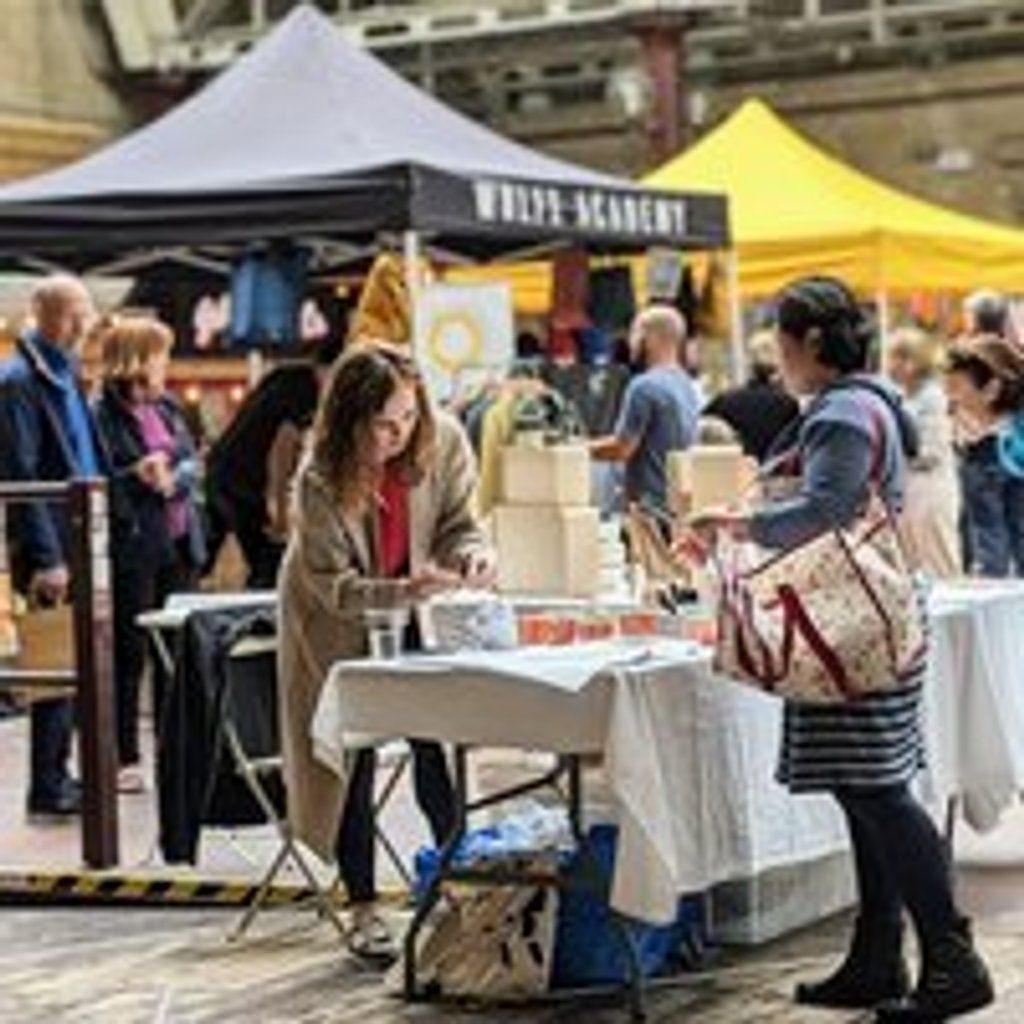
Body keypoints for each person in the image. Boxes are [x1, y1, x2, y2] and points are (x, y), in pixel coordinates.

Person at [677, 277, 993, 1023]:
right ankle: (879, 956)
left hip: (851, 628)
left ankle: (952, 960)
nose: (777, 356)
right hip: (862, 621)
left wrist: (736, 524)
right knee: (866, 788)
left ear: (810, 341)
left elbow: (827, 508)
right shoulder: (867, 401)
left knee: (877, 791)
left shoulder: (843, 413)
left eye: (782, 338)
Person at [277, 342, 494, 961]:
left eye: (405, 418)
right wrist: (401, 588)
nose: (396, 435)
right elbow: (333, 586)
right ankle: (364, 904)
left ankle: (459, 885)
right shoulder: (319, 475)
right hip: (334, 619)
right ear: (348, 420)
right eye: (381, 424)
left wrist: (471, 555)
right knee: (351, 756)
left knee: (438, 741)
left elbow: (459, 520)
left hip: (417, 606)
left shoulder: (442, 437)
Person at [0, 274, 103, 817]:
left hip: (84, 541)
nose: (83, 324)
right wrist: (47, 558)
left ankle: (59, 775)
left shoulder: (62, 374)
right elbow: (20, 471)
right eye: (72, 313)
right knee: (56, 665)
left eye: (85, 312)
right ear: (42, 315)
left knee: (75, 666)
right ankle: (47, 782)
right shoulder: (20, 380)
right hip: (55, 550)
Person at [93, 315, 206, 792]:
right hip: (136, 546)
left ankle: (172, 746)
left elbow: (193, 461)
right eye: (160, 356)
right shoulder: (100, 414)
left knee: (175, 651)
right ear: (137, 360)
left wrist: (173, 478)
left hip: (179, 542)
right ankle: (126, 756)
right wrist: (136, 475)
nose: (166, 366)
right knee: (131, 651)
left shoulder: (168, 406)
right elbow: (95, 483)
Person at [204, 336, 343, 588]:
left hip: (223, 472)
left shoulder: (285, 377)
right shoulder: (304, 391)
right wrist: (279, 512)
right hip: (243, 482)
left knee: (217, 556)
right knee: (270, 559)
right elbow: (281, 450)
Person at [590, 305, 700, 517]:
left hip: (648, 510)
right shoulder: (686, 384)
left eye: (634, 333)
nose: (630, 343)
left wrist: (577, 448)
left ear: (647, 337)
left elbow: (622, 448)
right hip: (677, 505)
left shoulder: (643, 386)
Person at [945, 334, 1024, 577]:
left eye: (956, 388)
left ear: (991, 390)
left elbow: (989, 544)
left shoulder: (986, 457)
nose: (950, 398)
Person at [885, 328, 961, 578]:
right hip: (910, 487)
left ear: (911, 361)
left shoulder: (933, 397)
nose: (888, 365)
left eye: (893, 357)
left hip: (930, 487)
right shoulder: (903, 395)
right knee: (913, 566)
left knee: (940, 563)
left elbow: (930, 452)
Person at [703, 330, 800, 463]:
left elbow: (703, 433)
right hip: (775, 479)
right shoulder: (789, 405)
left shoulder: (725, 400)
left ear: (749, 362)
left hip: (733, 476)